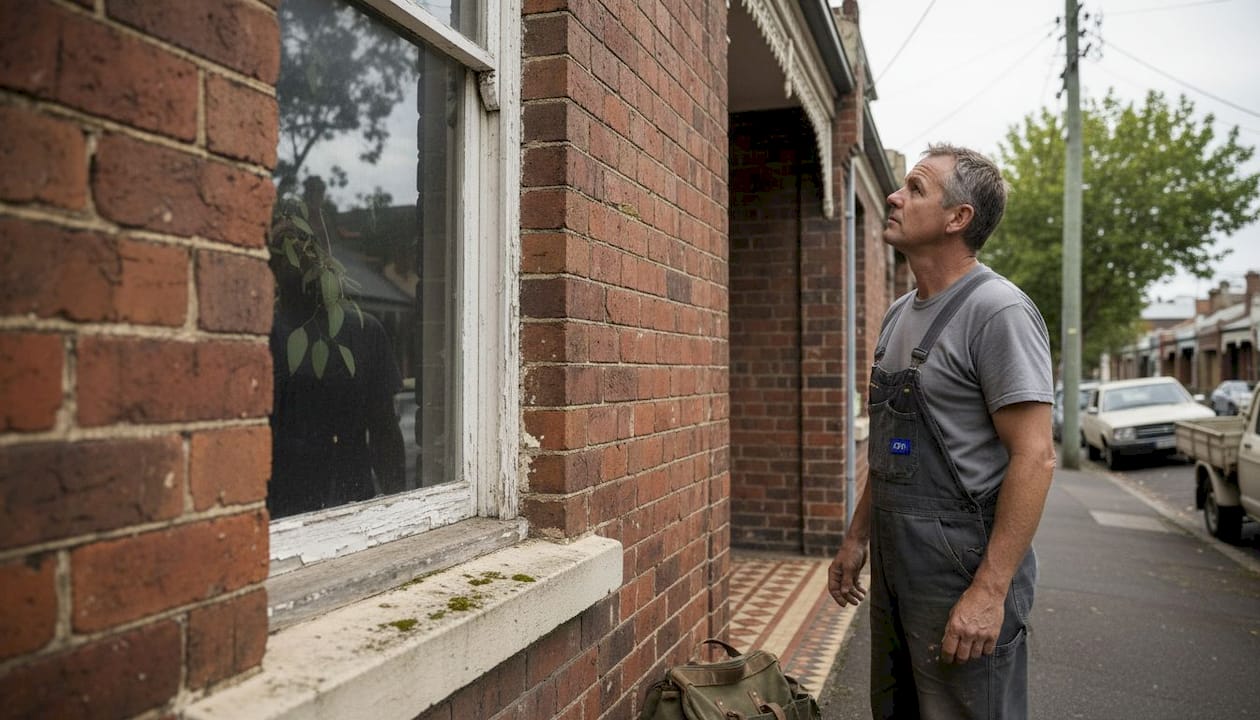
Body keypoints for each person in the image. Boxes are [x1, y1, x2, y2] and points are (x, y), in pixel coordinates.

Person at [828, 144, 1056, 719]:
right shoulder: (898, 313)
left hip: (961, 566)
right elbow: (893, 447)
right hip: (896, 559)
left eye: (915, 188)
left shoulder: (998, 311)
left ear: (958, 219)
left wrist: (989, 590)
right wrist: (857, 538)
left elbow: (1035, 457)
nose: (893, 196)